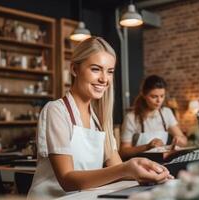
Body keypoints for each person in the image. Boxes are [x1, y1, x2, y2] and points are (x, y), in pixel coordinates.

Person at [27, 37, 172, 199]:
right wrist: (127, 168)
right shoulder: (56, 110)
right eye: (96, 69)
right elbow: (67, 180)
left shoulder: (99, 120)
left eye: (109, 71)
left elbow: (118, 169)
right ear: (75, 69)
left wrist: (148, 171)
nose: (104, 79)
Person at [120, 75, 188, 159]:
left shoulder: (166, 113)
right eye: (154, 96)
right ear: (144, 95)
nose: (159, 101)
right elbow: (123, 152)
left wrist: (180, 140)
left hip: (162, 162)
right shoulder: (131, 118)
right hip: (139, 164)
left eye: (162, 96)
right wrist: (147, 147)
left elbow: (184, 140)